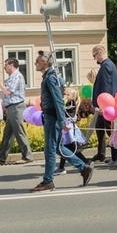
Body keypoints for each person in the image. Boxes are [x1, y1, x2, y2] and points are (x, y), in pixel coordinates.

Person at [30, 51, 93, 192]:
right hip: (51, 117)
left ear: (45, 63)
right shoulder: (49, 77)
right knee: (57, 147)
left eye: (37, 61)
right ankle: (84, 168)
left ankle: (48, 181)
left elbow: (58, 100)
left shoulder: (50, 78)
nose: (35, 63)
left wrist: (62, 120)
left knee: (50, 150)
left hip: (53, 119)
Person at [0, 58, 34, 164]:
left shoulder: (16, 76)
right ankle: (2, 155)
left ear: (12, 65)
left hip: (16, 107)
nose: (4, 67)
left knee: (19, 131)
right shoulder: (12, 77)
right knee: (8, 133)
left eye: (6, 65)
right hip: (11, 107)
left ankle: (27, 155)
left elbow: (8, 91)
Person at [91, 45, 117, 163]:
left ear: (99, 53)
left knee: (110, 130)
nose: (94, 59)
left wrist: (104, 106)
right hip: (105, 105)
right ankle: (101, 153)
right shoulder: (108, 65)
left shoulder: (106, 66)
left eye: (94, 56)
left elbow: (106, 87)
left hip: (107, 105)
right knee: (99, 127)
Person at [54, 87, 90, 175]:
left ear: (72, 96)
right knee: (66, 147)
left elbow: (67, 112)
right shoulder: (70, 102)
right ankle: (61, 167)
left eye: (68, 94)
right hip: (67, 126)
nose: (66, 96)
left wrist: (60, 106)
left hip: (68, 128)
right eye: (65, 94)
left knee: (66, 147)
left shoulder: (71, 102)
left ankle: (85, 162)